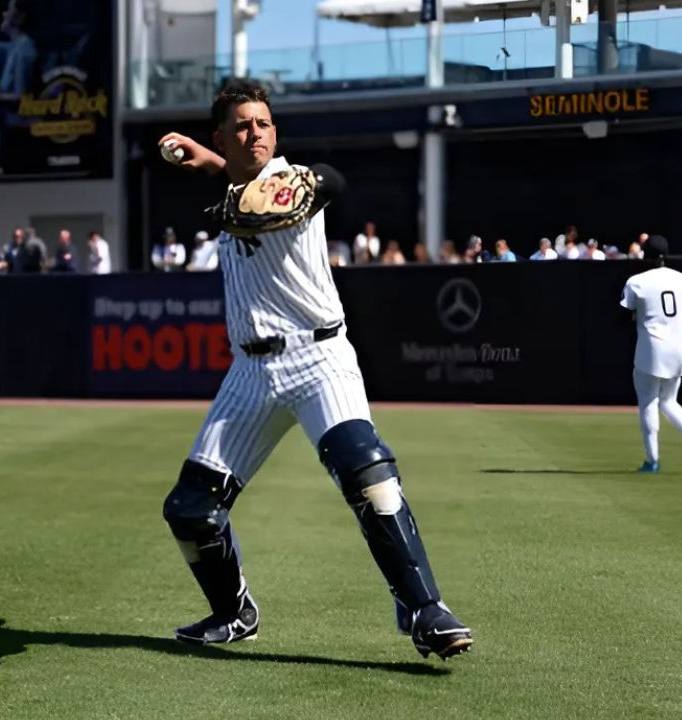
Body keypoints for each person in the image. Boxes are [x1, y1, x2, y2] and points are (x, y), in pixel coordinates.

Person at [155, 79, 472, 660]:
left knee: (367, 473)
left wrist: (220, 167)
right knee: (190, 510)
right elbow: (235, 186)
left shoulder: (291, 184)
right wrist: (211, 164)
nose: (256, 133)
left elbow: (314, 185)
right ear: (223, 137)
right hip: (249, 372)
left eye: (264, 124)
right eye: (242, 127)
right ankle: (234, 613)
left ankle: (425, 608)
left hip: (318, 356)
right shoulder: (231, 181)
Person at [619, 235, 682, 474]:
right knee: (668, 400)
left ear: (645, 255)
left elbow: (625, 313)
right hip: (678, 348)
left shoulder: (636, 281)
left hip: (651, 347)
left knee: (648, 402)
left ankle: (652, 460)